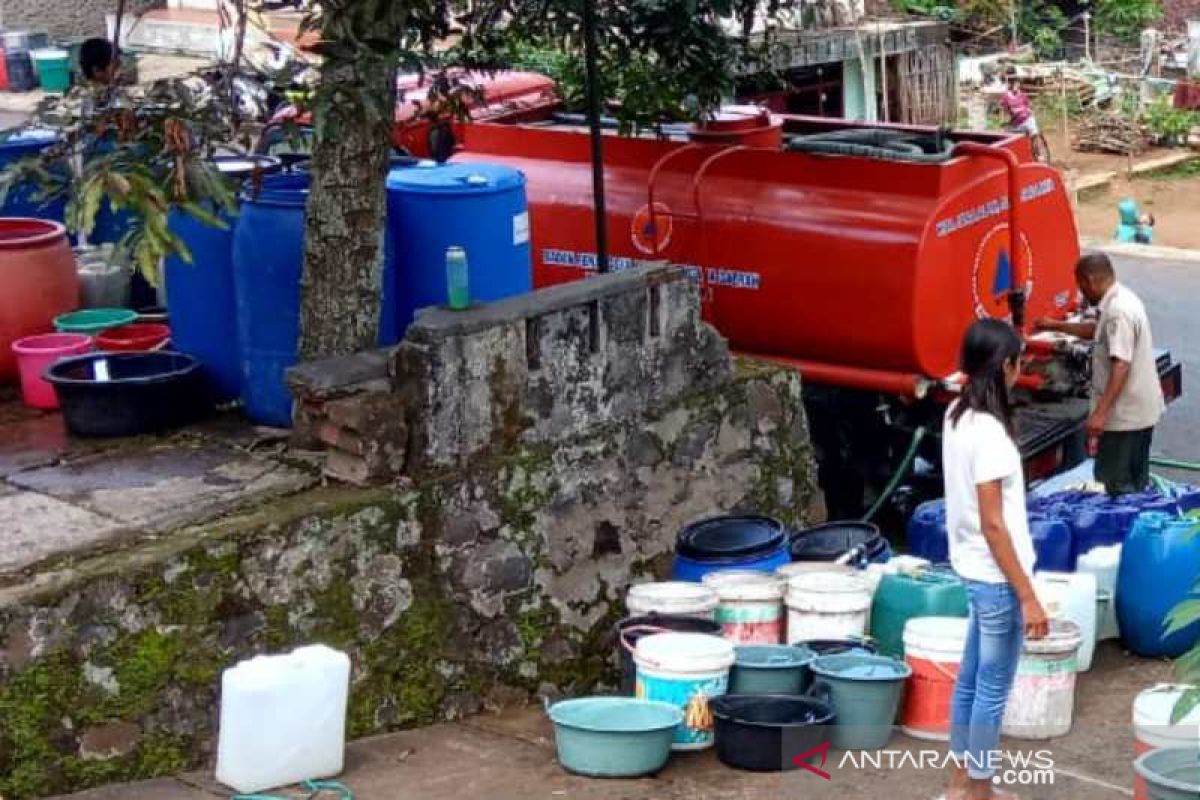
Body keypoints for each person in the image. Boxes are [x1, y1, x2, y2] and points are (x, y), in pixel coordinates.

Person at [942, 319, 1049, 800]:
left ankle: (961, 784)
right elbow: (993, 525)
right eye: (1018, 361)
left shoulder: (955, 417)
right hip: (998, 578)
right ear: (1005, 367)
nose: (1020, 368)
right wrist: (1028, 595)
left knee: (969, 681)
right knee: (991, 689)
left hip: (973, 570)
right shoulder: (991, 437)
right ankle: (980, 793)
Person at [1037, 254, 1165, 495]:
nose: (1082, 293)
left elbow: (1121, 365)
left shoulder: (1118, 311)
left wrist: (1099, 414)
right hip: (1137, 412)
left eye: (1081, 286)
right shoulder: (1122, 298)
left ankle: (1121, 528)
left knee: (1116, 484)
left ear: (1090, 280)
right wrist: (1055, 326)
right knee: (1133, 482)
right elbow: (1098, 331)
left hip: (1126, 416)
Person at [999, 72, 1049, 163]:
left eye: (1017, 84)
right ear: (1010, 85)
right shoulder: (1006, 97)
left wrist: (1029, 110)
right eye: (1014, 83)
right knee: (1007, 137)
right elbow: (1003, 109)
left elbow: (1029, 105)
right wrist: (1004, 120)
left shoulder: (1022, 95)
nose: (1016, 86)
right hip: (1016, 122)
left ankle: (1039, 154)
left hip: (1027, 119)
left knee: (1034, 134)